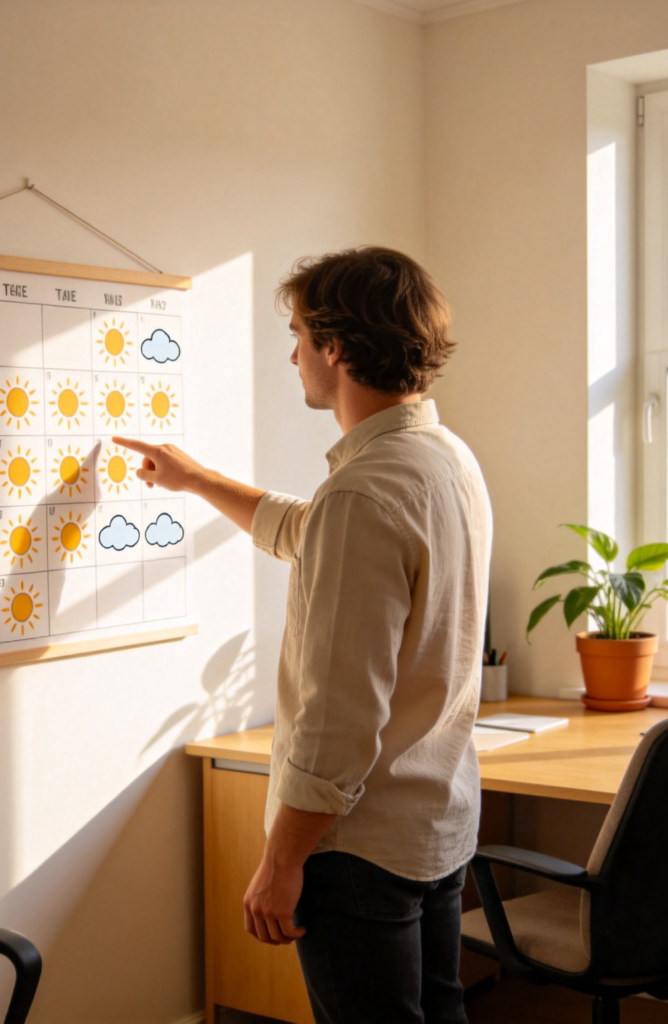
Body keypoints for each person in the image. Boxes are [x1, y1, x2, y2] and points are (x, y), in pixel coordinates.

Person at [114, 245, 492, 1024]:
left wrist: (282, 861)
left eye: (298, 335)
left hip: (357, 851)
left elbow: (338, 718)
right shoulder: (444, 460)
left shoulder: (365, 492)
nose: (291, 355)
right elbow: (310, 530)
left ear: (337, 346)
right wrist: (196, 480)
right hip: (438, 826)